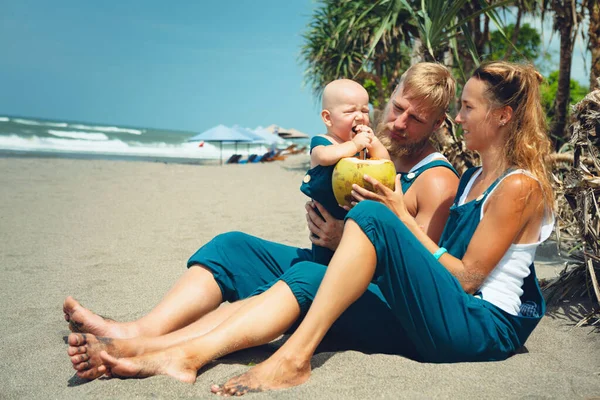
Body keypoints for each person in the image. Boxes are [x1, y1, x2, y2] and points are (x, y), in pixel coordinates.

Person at [64, 62, 460, 380]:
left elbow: (416, 276)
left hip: (371, 298)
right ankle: (138, 331)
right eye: (397, 107)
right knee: (231, 245)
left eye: (416, 119)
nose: (399, 122)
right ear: (389, 96)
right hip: (324, 263)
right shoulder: (366, 146)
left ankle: (173, 354)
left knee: (302, 275)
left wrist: (346, 239)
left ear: (438, 126)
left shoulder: (436, 179)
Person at [301, 78, 389, 263]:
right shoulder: (322, 142)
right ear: (327, 118)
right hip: (326, 221)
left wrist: (374, 142)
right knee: (326, 265)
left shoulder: (362, 144)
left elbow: (385, 161)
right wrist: (355, 144)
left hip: (353, 218)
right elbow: (324, 157)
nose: (360, 116)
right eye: (350, 111)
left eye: (365, 110)